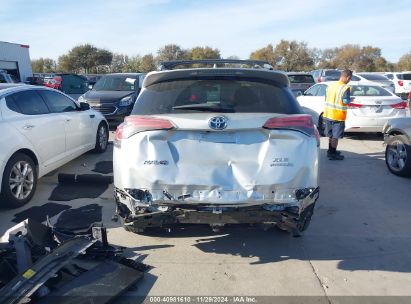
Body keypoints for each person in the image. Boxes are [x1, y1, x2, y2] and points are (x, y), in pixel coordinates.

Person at [323, 69, 353, 160]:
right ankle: (333, 154)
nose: (349, 80)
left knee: (330, 135)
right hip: (338, 116)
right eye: (350, 78)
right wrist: (350, 100)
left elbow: (326, 98)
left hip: (328, 114)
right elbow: (345, 101)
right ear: (347, 77)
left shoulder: (330, 86)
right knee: (335, 137)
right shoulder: (345, 87)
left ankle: (330, 151)